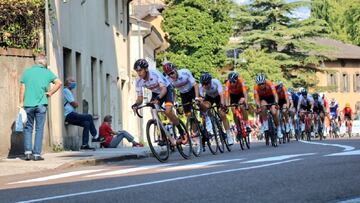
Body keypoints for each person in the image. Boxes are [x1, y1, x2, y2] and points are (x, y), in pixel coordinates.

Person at [131, 59, 187, 146]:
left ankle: (181, 131)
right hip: (156, 92)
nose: (139, 73)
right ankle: (164, 137)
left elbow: (163, 89)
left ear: (146, 69)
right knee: (153, 112)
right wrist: (136, 104)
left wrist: (158, 98)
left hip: (167, 89)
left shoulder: (155, 73)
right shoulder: (138, 81)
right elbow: (140, 98)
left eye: (140, 70)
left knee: (168, 111)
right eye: (137, 71)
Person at [19, 54, 62, 161]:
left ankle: (28, 153)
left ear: (36, 62)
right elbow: (59, 82)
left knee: (28, 128)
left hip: (28, 104)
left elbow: (22, 88)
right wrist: (50, 93)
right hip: (41, 104)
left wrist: (21, 102)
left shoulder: (27, 72)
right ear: (43, 62)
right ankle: (37, 154)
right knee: (39, 129)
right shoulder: (47, 72)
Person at [63, 77, 103, 150]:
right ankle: (95, 136)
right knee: (89, 116)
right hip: (69, 115)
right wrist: (76, 104)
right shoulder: (66, 90)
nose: (74, 84)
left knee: (86, 123)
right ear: (68, 83)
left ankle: (84, 145)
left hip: (72, 114)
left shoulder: (68, 91)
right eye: (73, 82)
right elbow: (74, 104)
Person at [198, 72, 234, 145]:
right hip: (209, 97)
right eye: (203, 84)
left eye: (207, 83)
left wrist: (222, 104)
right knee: (206, 107)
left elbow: (221, 95)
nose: (205, 86)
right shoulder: (201, 87)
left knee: (222, 114)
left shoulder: (216, 82)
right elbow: (201, 99)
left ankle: (228, 135)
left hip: (218, 97)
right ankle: (212, 119)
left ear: (210, 81)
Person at [254, 74, 282, 139]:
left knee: (274, 112)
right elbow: (257, 99)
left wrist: (276, 103)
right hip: (263, 98)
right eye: (259, 84)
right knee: (263, 106)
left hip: (271, 97)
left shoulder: (269, 83)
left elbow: (275, 94)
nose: (261, 85)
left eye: (262, 84)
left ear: (265, 82)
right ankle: (265, 124)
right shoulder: (256, 87)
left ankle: (278, 128)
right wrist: (258, 106)